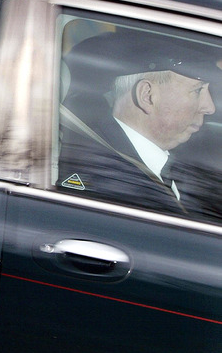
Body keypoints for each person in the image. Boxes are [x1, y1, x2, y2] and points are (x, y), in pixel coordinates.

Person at [57, 30, 221, 215]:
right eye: (198, 91)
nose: (209, 107)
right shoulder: (107, 184)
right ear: (147, 96)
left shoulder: (185, 159)